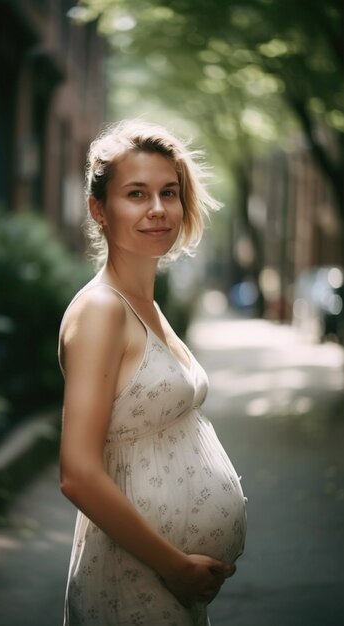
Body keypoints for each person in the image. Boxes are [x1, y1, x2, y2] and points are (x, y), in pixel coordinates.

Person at [58, 119, 247, 626]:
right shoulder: (101, 309)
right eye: (136, 194)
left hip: (169, 583)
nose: (158, 209)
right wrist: (175, 566)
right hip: (133, 577)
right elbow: (77, 473)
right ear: (100, 210)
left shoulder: (145, 305)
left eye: (169, 192)